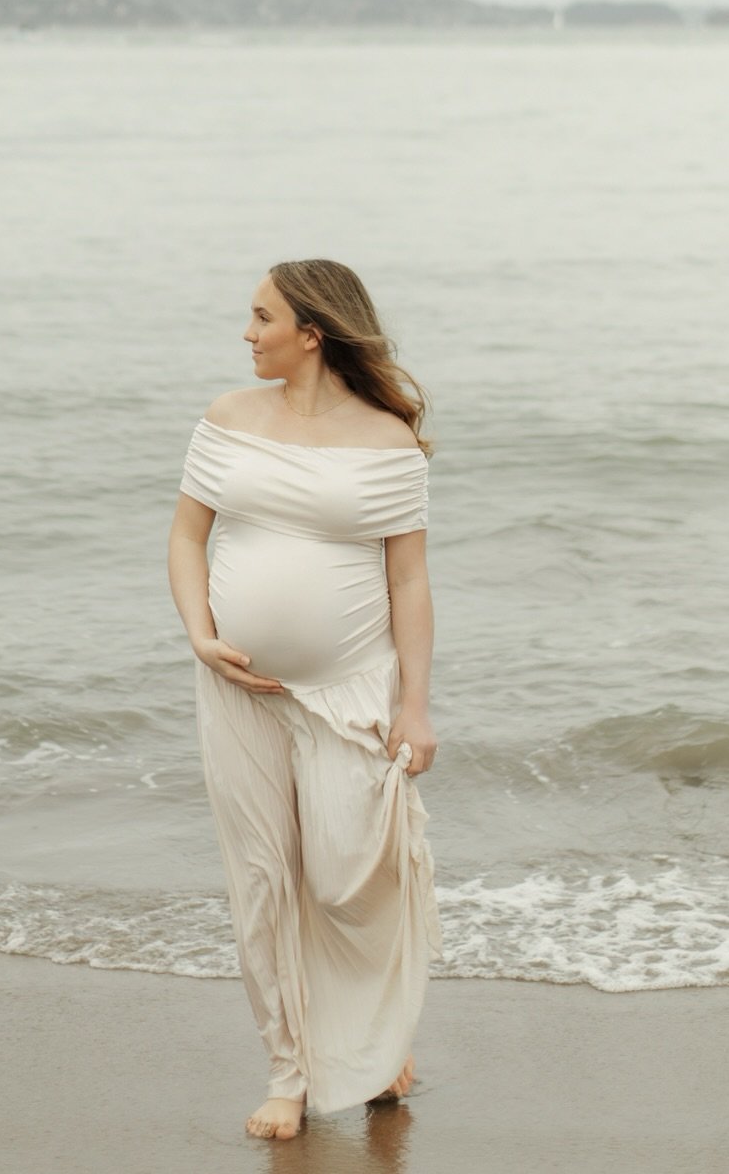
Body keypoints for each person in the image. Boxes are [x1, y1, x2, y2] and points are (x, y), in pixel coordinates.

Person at [167, 258, 442, 1141]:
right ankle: (289, 1072)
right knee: (262, 881)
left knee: (345, 873)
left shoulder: (386, 441)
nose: (247, 334)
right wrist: (200, 634)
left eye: (261, 318)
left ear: (312, 333)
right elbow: (185, 535)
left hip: (350, 691)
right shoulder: (227, 419)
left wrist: (416, 706)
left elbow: (410, 580)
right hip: (238, 689)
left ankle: (375, 1041)